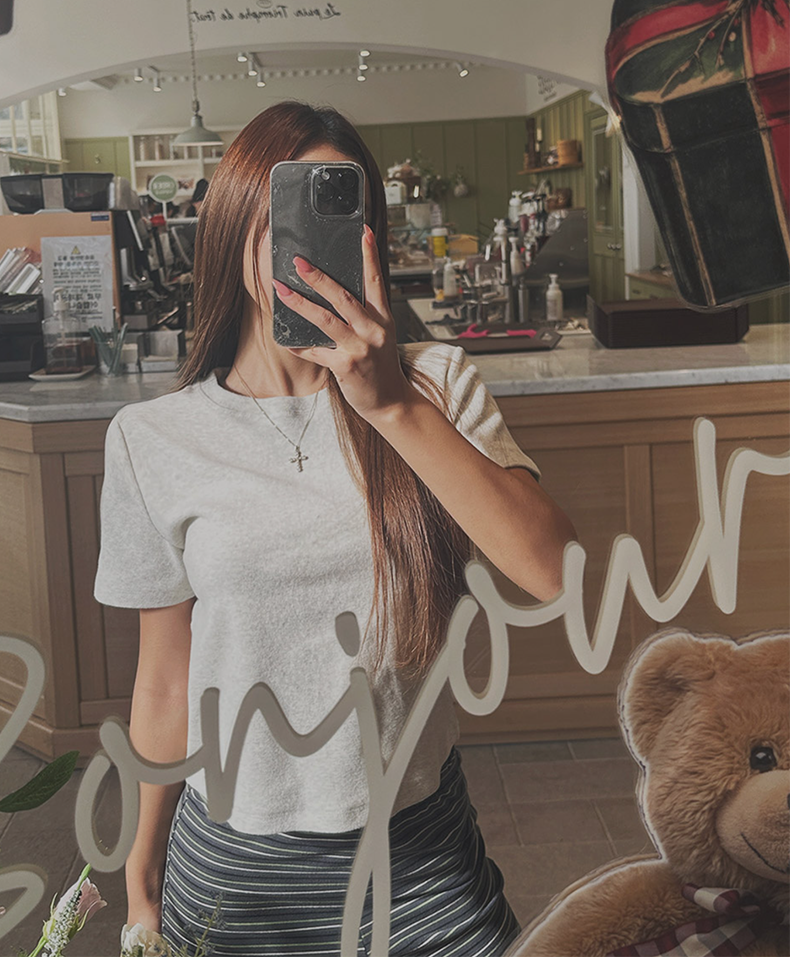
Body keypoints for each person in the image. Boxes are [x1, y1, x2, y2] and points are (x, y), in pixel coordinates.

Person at [93, 101, 577, 957]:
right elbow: (166, 682)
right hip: (235, 870)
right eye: (288, 216)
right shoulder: (151, 438)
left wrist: (390, 406)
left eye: (342, 217)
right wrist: (141, 867)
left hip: (421, 857)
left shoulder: (436, 386)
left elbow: (552, 572)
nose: (313, 250)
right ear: (236, 228)